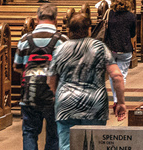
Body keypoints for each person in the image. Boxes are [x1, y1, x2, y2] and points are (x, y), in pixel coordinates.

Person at [48, 10, 126, 150]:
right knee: (94, 144)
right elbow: (117, 76)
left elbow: (51, 79)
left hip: (66, 102)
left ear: (69, 30)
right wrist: (120, 102)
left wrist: (55, 97)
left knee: (66, 144)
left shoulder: (59, 49)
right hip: (94, 103)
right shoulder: (99, 47)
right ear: (89, 29)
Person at [15, 4, 62, 150]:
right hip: (53, 94)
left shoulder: (24, 39)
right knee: (54, 134)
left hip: (30, 93)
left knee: (29, 132)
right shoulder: (62, 40)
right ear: (55, 19)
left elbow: (17, 66)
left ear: (37, 18)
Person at [103, 0, 138, 73]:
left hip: (110, 48)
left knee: (113, 74)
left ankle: (113, 86)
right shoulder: (131, 16)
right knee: (122, 75)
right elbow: (133, 34)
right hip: (125, 48)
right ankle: (119, 86)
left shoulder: (109, 13)